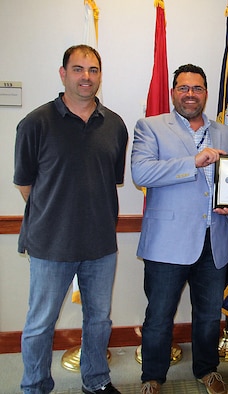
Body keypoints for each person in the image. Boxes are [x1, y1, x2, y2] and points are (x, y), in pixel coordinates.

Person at [14, 45, 128, 394]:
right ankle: (35, 386)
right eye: (78, 69)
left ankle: (96, 381)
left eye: (93, 70)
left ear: (100, 76)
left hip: (100, 245)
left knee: (98, 321)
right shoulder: (36, 122)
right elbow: (25, 184)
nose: (86, 77)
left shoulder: (115, 125)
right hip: (51, 244)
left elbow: (111, 179)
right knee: (39, 324)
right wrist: (56, 216)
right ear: (63, 73)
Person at [131, 64, 228, 394]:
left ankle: (207, 370)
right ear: (173, 92)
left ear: (206, 94)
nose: (190, 94)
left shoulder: (226, 133)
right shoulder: (150, 127)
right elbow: (141, 174)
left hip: (213, 240)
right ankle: (153, 377)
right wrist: (194, 161)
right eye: (183, 88)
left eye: (197, 89)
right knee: (159, 316)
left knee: (208, 316)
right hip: (168, 243)